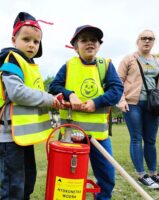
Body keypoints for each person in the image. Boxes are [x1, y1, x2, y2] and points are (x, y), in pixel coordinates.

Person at [0, 12, 60, 200]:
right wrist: (48, 98)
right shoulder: (12, 59)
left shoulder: (30, 65)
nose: (31, 44)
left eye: (36, 42)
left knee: (27, 181)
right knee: (13, 186)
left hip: (23, 137)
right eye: (26, 39)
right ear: (14, 39)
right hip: (10, 136)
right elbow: (17, 92)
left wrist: (52, 99)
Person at [49, 25, 124, 200]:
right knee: (69, 177)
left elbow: (117, 90)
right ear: (75, 47)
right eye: (84, 40)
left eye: (94, 40)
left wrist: (96, 103)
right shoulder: (68, 66)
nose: (89, 43)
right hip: (72, 134)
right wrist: (70, 94)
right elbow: (54, 87)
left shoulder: (106, 65)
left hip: (99, 136)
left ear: (99, 45)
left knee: (107, 175)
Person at [117, 29, 159, 189]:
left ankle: (153, 173)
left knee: (151, 140)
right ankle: (142, 174)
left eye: (151, 39)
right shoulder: (129, 59)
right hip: (132, 104)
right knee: (137, 138)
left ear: (154, 42)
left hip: (153, 105)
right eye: (144, 38)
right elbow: (118, 80)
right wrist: (121, 99)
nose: (147, 41)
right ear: (137, 41)